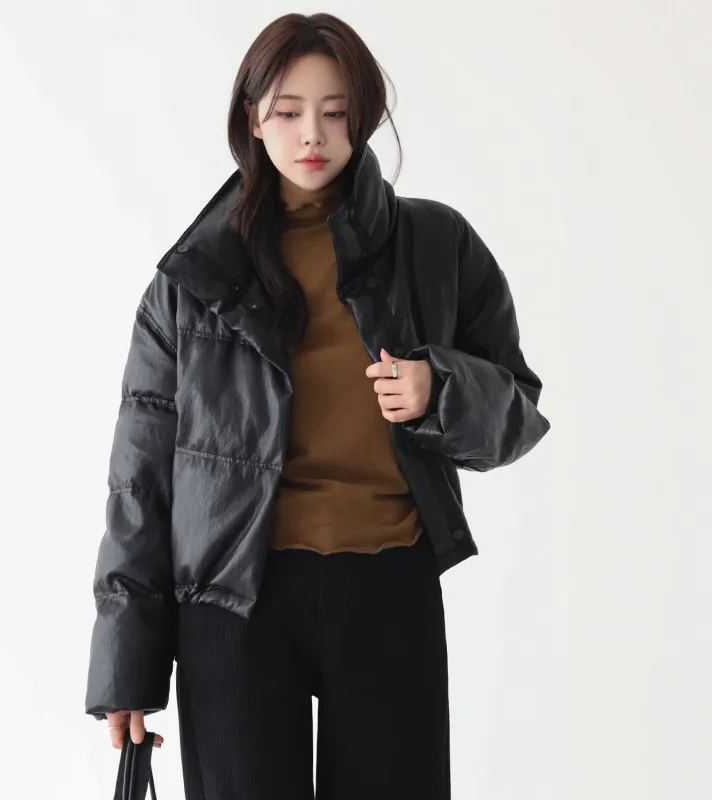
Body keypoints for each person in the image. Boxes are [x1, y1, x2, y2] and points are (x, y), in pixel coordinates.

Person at [85, 11, 551, 800]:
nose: (312, 134)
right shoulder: (194, 277)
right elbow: (140, 481)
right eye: (288, 111)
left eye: (335, 112)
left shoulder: (435, 245)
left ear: (362, 118)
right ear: (251, 118)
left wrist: (439, 389)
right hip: (233, 601)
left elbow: (518, 412)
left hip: (388, 587)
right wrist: (126, 666)